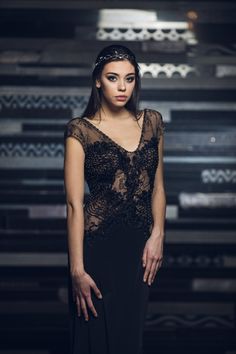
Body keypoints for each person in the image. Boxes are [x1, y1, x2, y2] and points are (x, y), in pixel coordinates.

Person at [63, 44, 166, 354]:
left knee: (129, 338)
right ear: (97, 81)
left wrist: (158, 234)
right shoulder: (80, 130)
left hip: (140, 248)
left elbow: (158, 187)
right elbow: (73, 205)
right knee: (95, 335)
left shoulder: (152, 123)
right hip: (97, 249)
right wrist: (77, 271)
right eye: (112, 78)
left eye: (130, 78)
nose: (122, 87)